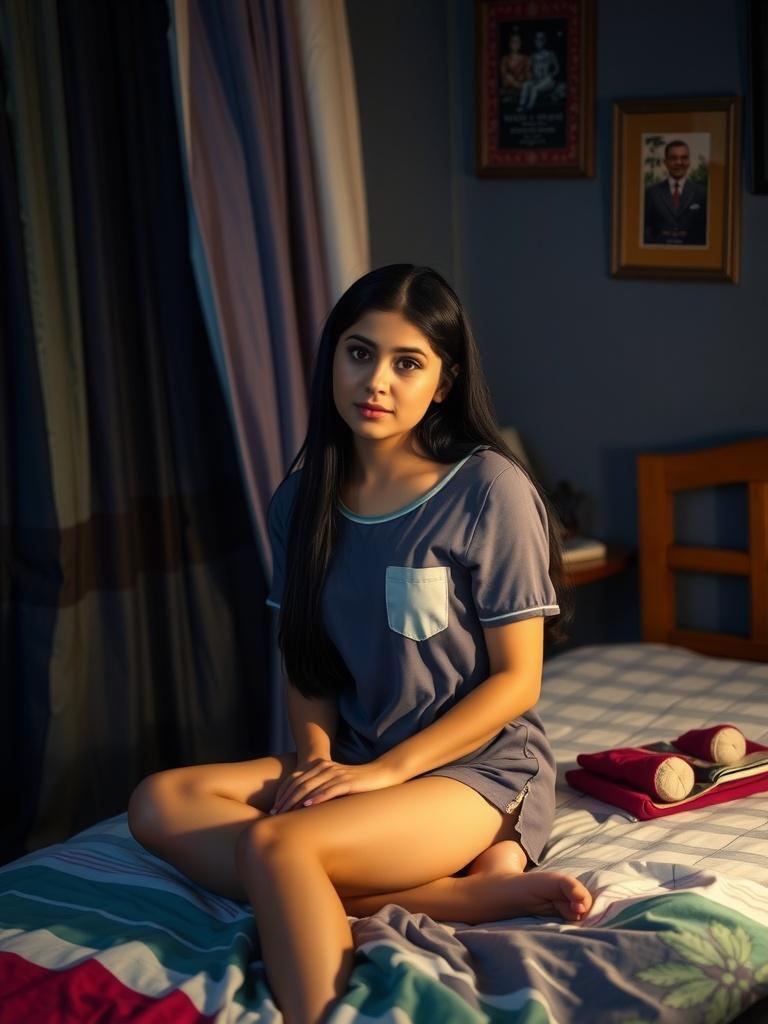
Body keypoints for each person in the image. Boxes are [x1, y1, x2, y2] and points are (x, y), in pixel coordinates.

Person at [127, 264, 592, 1024]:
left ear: (442, 383)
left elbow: (518, 684)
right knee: (159, 802)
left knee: (279, 847)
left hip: (470, 769)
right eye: (358, 352)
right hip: (357, 755)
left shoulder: (489, 490)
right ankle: (448, 898)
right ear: (333, 359)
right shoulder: (302, 499)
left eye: (407, 363)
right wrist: (316, 761)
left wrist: (384, 774)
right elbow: (306, 661)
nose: (376, 380)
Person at [644, 139, 708, 246]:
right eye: (673, 158)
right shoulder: (651, 193)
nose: (679, 162)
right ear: (666, 162)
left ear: (689, 162)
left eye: (684, 158)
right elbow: (645, 228)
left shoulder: (702, 193)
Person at [518, 30, 560, 110]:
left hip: (547, 81)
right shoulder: (533, 56)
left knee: (534, 88)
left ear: (544, 40)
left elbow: (557, 69)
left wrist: (550, 75)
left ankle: (529, 108)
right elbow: (527, 69)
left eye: (541, 39)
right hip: (536, 80)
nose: (539, 41)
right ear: (534, 41)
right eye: (537, 39)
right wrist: (529, 75)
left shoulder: (550, 54)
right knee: (526, 84)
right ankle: (521, 105)